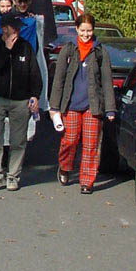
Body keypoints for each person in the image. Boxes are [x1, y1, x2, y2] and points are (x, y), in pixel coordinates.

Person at [49, 12, 116, 194]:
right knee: (70, 141)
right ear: (76, 29)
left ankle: (87, 181)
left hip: (92, 106)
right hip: (70, 104)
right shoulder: (69, 50)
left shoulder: (100, 52)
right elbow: (59, 80)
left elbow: (107, 82)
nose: (86, 34)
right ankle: (65, 166)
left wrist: (110, 109)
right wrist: (54, 107)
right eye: (83, 30)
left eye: (89, 31)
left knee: (91, 144)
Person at [0, 11, 42, 192]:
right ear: (4, 29)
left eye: (18, 29)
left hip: (20, 101)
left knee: (18, 141)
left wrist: (35, 95)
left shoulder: (26, 47)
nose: (17, 32)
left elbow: (35, 75)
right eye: (13, 28)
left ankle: (13, 176)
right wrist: (6, 49)